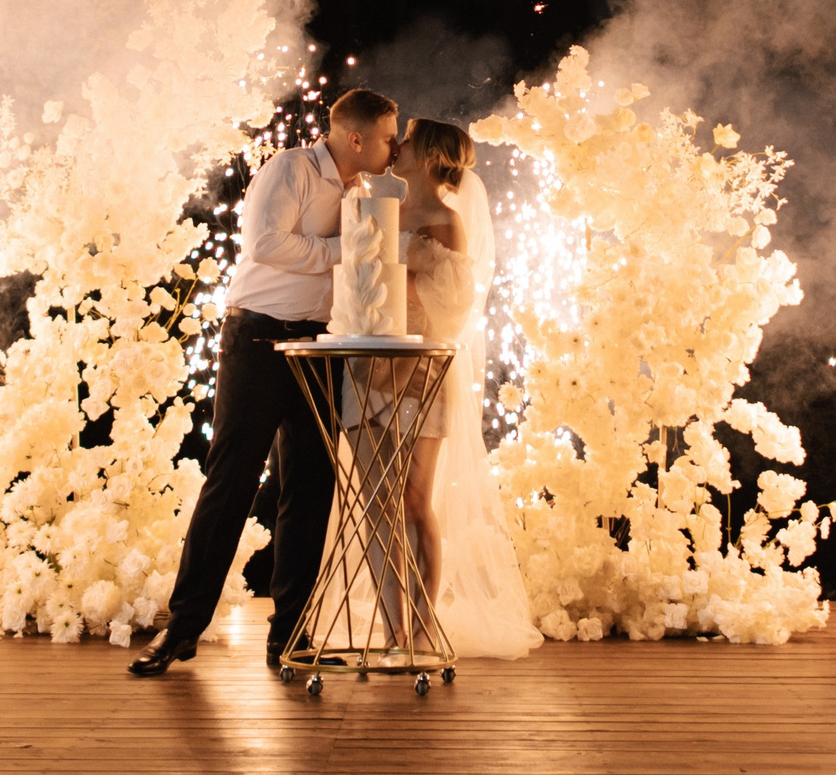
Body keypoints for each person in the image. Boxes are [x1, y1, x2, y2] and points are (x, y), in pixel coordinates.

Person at [128, 87, 399, 677]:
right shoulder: (290, 168)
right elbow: (264, 245)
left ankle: (292, 636)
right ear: (356, 137)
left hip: (319, 344)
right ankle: (183, 628)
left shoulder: (363, 192)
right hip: (257, 338)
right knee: (231, 479)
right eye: (386, 136)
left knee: (310, 487)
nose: (393, 146)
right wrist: (345, 249)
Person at [386, 118, 541, 660]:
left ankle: (423, 618)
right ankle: (389, 626)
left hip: (424, 366)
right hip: (374, 363)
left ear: (428, 156)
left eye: (406, 138)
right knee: (378, 498)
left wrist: (402, 277)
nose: (396, 146)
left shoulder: (447, 220)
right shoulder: (381, 206)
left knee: (414, 495)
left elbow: (454, 309)